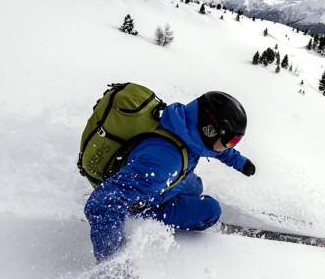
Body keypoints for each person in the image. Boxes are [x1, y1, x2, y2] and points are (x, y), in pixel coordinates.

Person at [84, 91, 256, 263]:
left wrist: (240, 162)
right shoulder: (165, 163)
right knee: (211, 210)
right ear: (209, 130)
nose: (229, 146)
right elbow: (103, 202)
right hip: (144, 200)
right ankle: (140, 213)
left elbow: (210, 147)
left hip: (159, 176)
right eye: (230, 141)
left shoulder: (184, 123)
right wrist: (113, 267)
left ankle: (177, 197)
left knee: (196, 186)